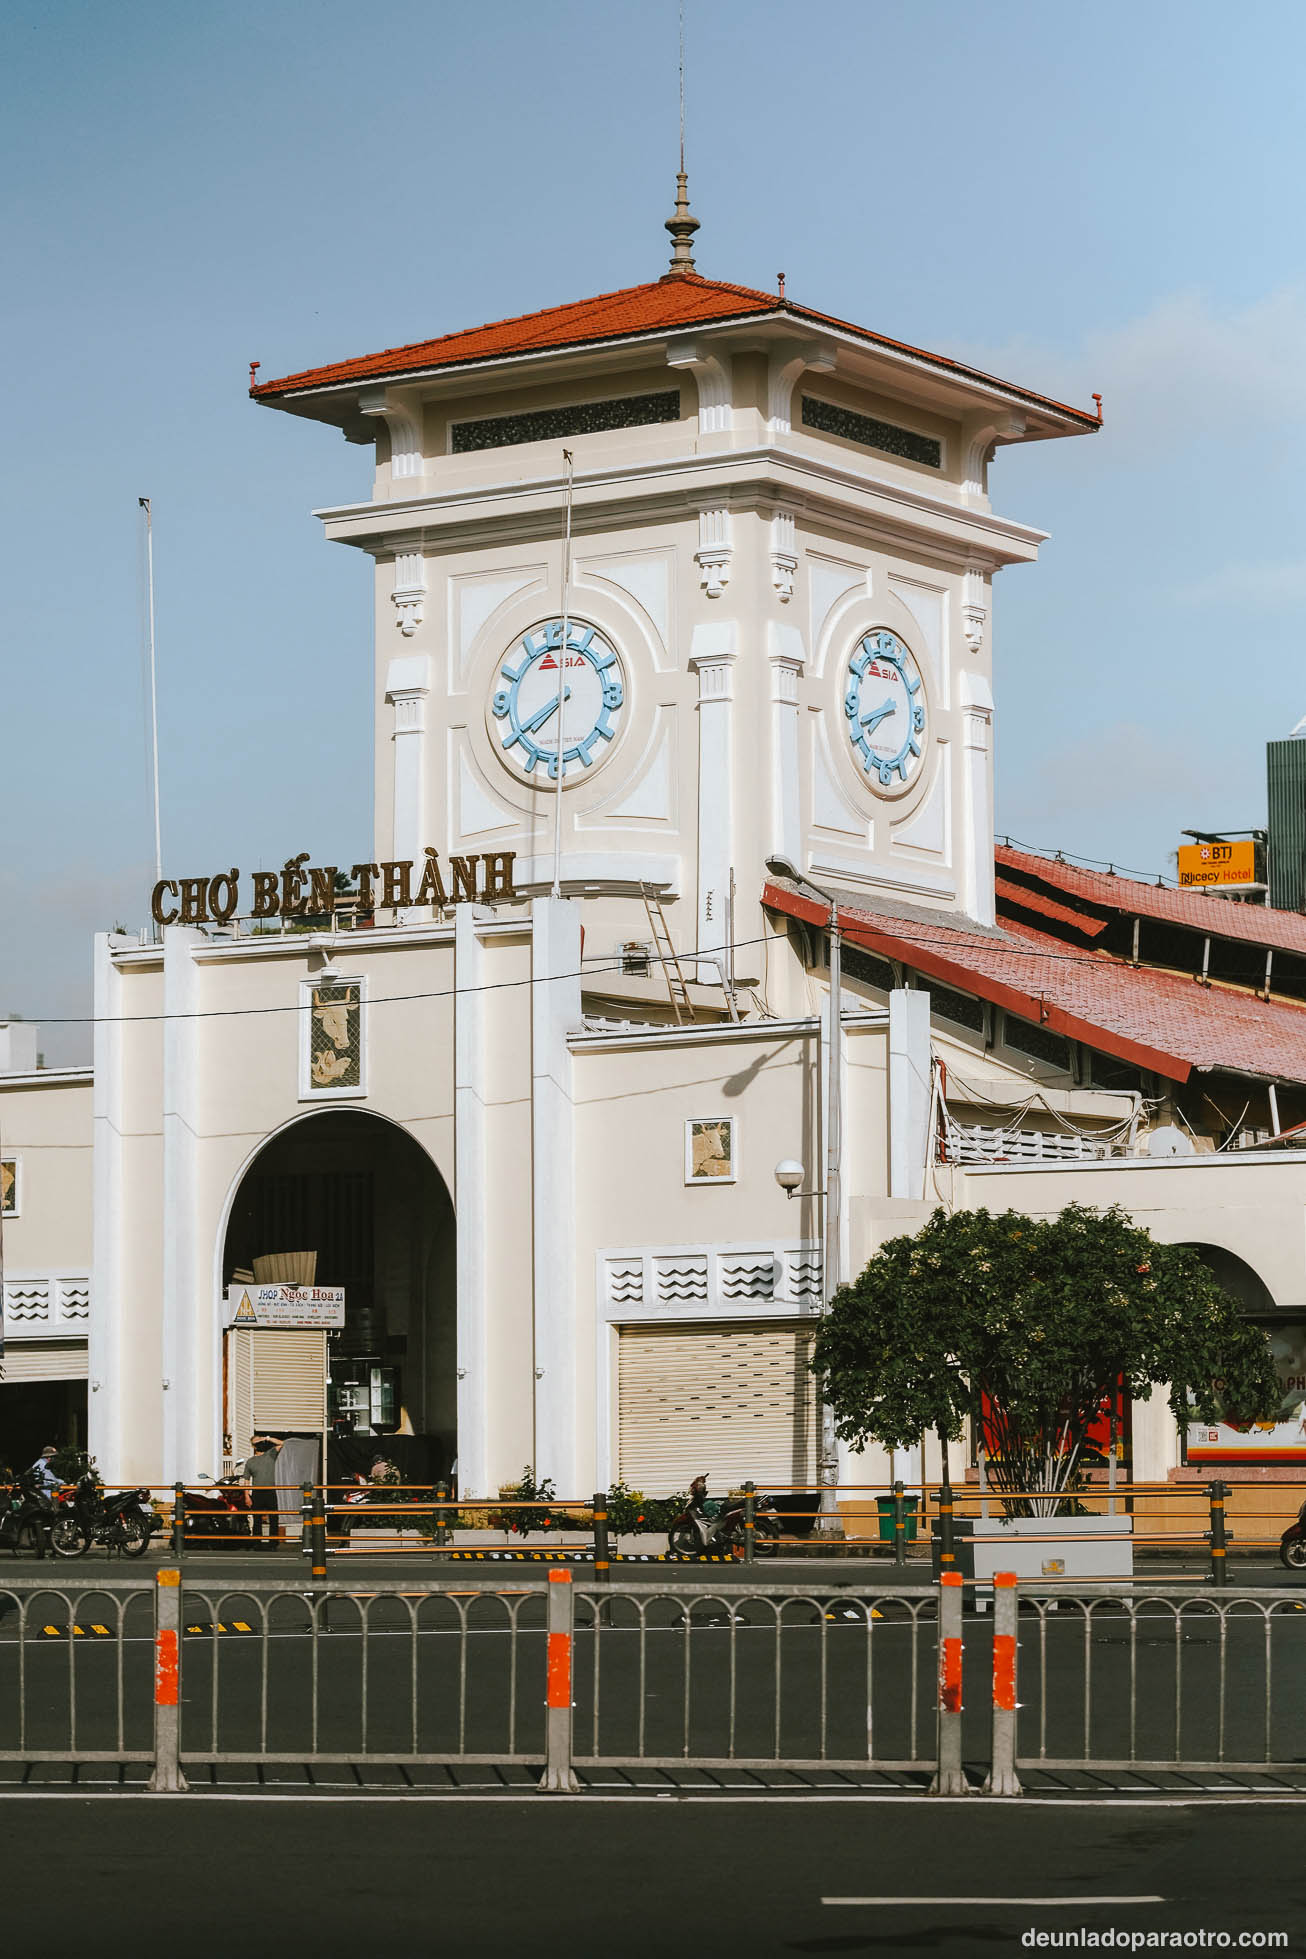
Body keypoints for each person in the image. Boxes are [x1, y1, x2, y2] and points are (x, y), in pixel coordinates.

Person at [243, 1436, 282, 1547]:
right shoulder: (250, 1462)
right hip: (257, 1493)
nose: (260, 1443)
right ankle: (257, 1542)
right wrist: (247, 1496)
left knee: (274, 1518)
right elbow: (246, 1480)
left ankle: (273, 1542)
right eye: (257, 1442)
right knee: (257, 1518)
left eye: (261, 1440)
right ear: (253, 1446)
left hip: (270, 1491)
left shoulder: (270, 1454)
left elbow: (281, 1443)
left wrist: (268, 1438)